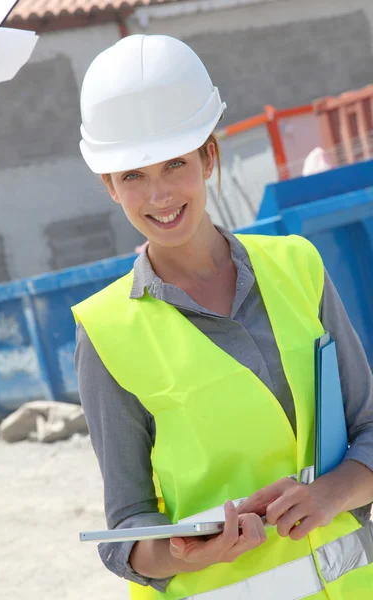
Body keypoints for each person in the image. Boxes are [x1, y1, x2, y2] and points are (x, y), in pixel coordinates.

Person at [73, 35, 373, 600]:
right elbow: (126, 529)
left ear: (210, 157)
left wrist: (328, 496)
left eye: (175, 164)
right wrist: (185, 552)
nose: (159, 194)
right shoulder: (106, 333)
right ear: (109, 186)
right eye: (133, 175)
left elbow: (369, 431)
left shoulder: (298, 268)